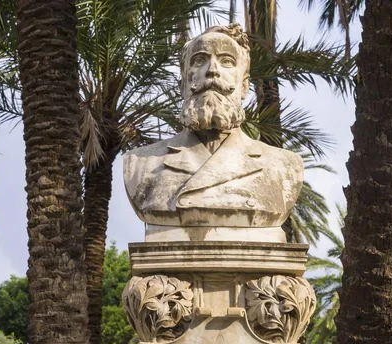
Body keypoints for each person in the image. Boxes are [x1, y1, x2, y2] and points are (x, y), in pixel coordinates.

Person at [124, 24, 303, 229]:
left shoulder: (284, 165)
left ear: (244, 85)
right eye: (199, 60)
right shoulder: (139, 164)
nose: (212, 71)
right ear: (182, 83)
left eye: (226, 61)